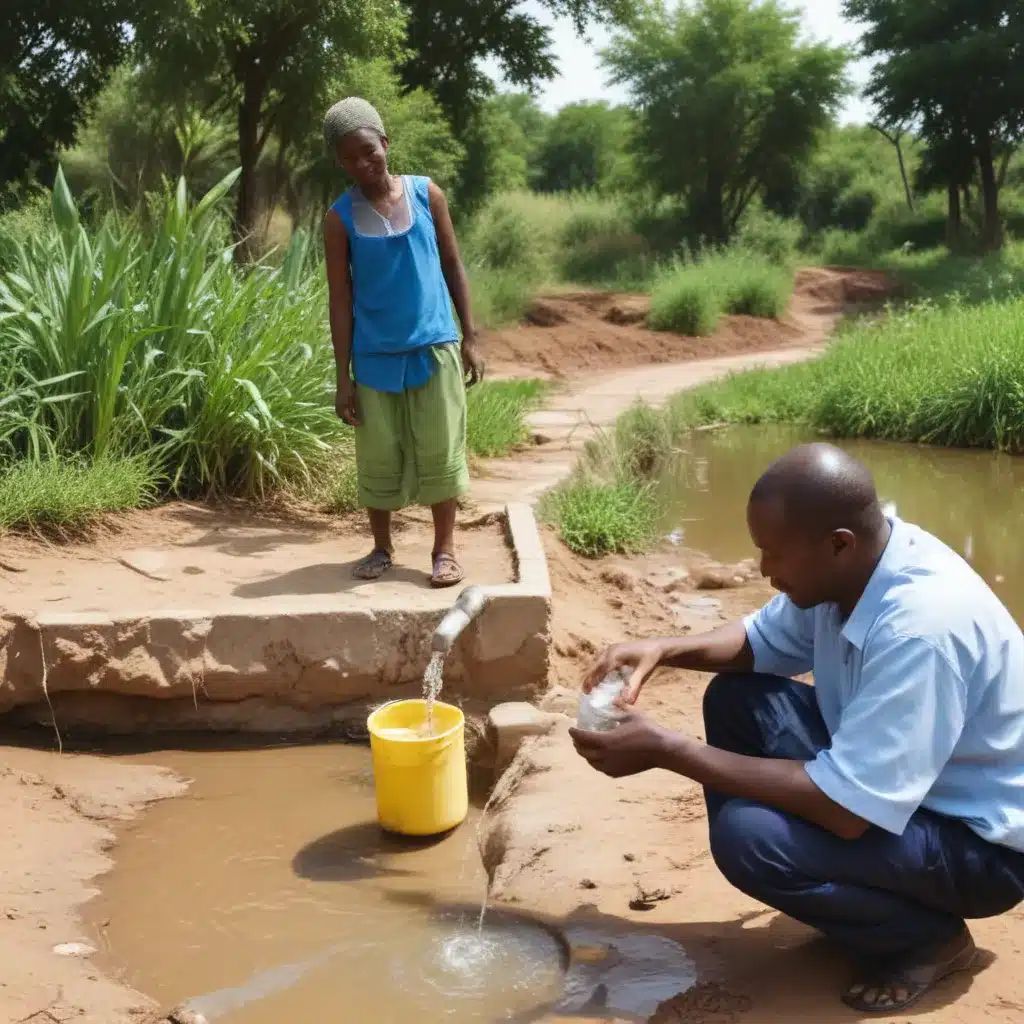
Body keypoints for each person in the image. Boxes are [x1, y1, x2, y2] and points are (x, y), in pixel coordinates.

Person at [570, 443, 1024, 1014]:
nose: (763, 571)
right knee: (738, 700)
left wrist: (665, 748)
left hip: (978, 847)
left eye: (772, 555)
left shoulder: (921, 628)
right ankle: (849, 899)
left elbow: (848, 810)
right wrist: (663, 648)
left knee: (750, 841)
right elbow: (761, 642)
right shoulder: (856, 562)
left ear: (838, 544)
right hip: (911, 793)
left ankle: (926, 939)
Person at [322, 96, 484, 588]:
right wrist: (342, 377)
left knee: (440, 449)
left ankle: (444, 550)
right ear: (339, 162)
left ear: (385, 144)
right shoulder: (338, 218)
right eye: (350, 158)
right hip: (373, 357)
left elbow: (454, 267)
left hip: (433, 345)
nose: (362, 164)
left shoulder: (425, 194)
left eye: (369, 151)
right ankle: (381, 547)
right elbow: (340, 300)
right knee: (378, 454)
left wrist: (470, 337)